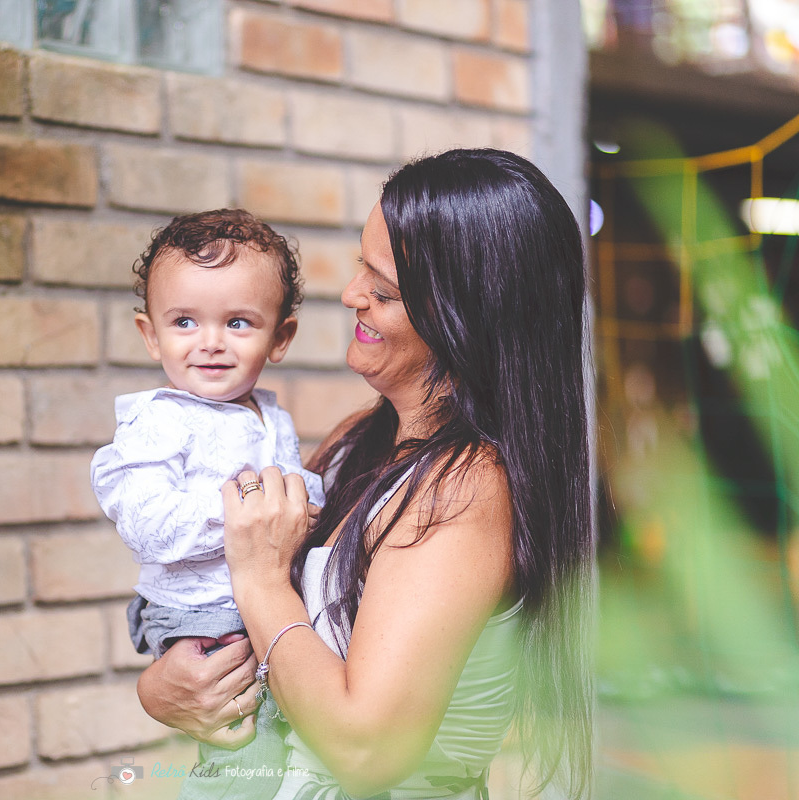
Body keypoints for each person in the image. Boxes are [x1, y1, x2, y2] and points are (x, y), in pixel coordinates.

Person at [136, 149, 594, 800]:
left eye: (382, 290)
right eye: (361, 267)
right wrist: (169, 686)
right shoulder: (366, 443)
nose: (352, 295)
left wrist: (261, 580)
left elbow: (365, 745)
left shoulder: (464, 487)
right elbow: (279, 656)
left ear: (461, 317)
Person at [91, 208, 327, 800]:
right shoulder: (159, 422)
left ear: (281, 337)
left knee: (286, 732)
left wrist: (300, 500)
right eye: (185, 321)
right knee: (244, 747)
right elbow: (148, 525)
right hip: (203, 613)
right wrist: (252, 514)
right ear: (151, 335)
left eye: (240, 322)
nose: (212, 343)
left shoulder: (270, 416)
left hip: (261, 602)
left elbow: (299, 488)